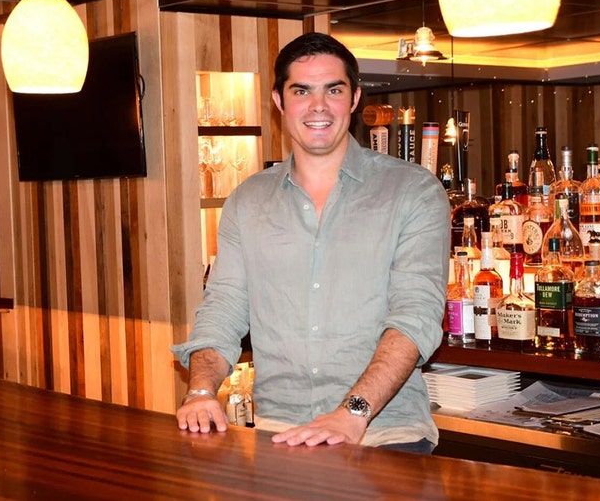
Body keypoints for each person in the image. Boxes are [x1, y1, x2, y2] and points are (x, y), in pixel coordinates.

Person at [172, 32, 450, 453]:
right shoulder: (247, 202)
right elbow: (224, 307)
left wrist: (352, 413)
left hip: (384, 435)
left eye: (333, 90)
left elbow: (415, 316)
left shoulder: (412, 191)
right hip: (279, 436)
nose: (318, 106)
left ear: (354, 98)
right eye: (301, 91)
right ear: (279, 101)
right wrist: (200, 391)